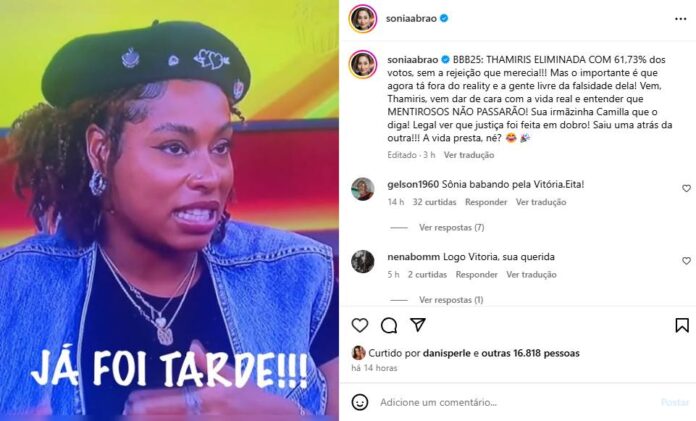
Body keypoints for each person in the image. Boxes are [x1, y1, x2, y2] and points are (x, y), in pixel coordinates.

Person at [0, 21, 336, 416]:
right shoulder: (13, 289)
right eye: (175, 148)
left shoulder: (299, 277)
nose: (210, 176)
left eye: (220, 147)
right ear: (101, 151)